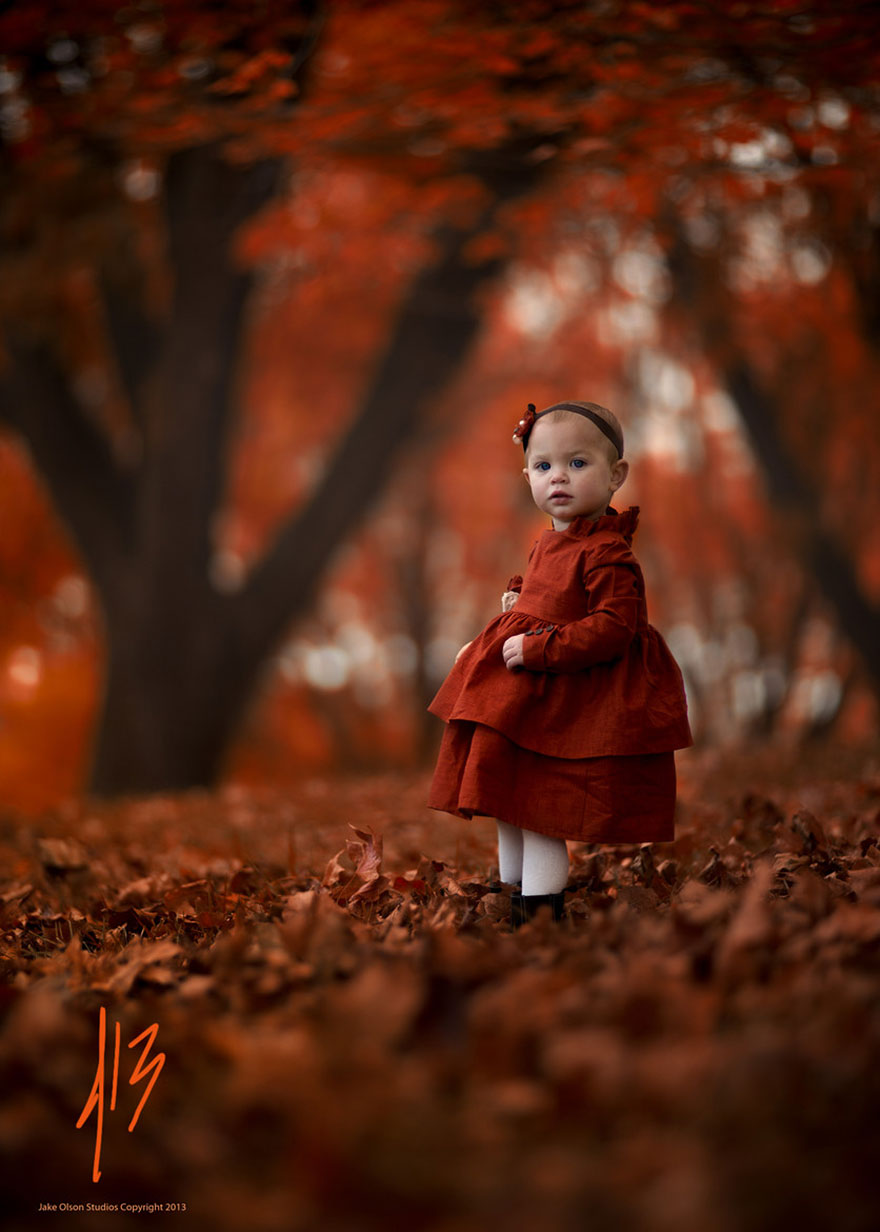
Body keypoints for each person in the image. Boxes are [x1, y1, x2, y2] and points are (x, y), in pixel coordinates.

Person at [427, 400, 692, 926]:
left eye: (578, 463)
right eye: (544, 466)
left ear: (616, 475)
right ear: (527, 475)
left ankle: (540, 916)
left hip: (566, 703)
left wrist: (539, 648)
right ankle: (508, 896)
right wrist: (491, 635)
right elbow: (542, 602)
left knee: (540, 808)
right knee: (507, 797)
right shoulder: (549, 543)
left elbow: (615, 628)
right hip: (526, 696)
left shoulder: (609, 554)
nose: (559, 478)